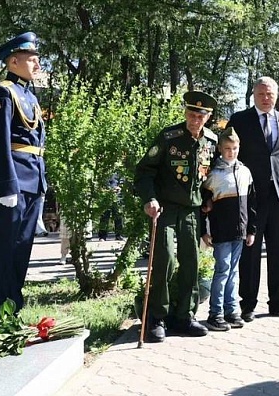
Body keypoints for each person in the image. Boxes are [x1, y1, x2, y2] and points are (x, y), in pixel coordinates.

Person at [135, 90, 218, 341]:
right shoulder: (170, 137)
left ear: (208, 117)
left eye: (200, 116)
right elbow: (145, 170)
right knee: (165, 259)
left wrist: (209, 198)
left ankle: (185, 316)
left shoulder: (211, 142)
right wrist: (149, 198)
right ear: (186, 113)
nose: (195, 119)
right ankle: (157, 317)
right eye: (191, 114)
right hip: (166, 208)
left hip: (193, 211)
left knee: (191, 262)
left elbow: (209, 175)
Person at [0, 32, 48, 316]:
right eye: (32, 59)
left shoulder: (29, 95)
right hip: (12, 184)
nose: (37, 64)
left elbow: (36, 145)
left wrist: (41, 183)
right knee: (4, 250)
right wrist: (7, 186)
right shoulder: (2, 92)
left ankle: (13, 309)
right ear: (13, 60)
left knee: (21, 249)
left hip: (32, 183)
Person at [229, 76, 279, 321]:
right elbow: (230, 155)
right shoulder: (240, 120)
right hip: (251, 197)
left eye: (270, 94)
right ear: (254, 95)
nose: (266, 98)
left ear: (276, 95)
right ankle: (247, 304)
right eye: (261, 94)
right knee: (250, 251)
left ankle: (277, 302)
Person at [200, 127, 256, 332]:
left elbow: (251, 204)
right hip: (221, 231)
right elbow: (203, 207)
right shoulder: (213, 175)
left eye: (234, 148)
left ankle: (231, 311)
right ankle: (215, 314)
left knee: (233, 272)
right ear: (220, 149)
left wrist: (252, 230)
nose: (231, 152)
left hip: (240, 231)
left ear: (239, 148)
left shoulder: (245, 172)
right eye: (227, 148)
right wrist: (204, 231)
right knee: (222, 271)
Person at [97, 172, 124, 241]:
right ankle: (102, 236)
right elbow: (100, 184)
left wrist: (119, 188)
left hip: (117, 197)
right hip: (106, 197)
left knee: (118, 216)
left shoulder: (119, 172)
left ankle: (119, 235)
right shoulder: (104, 171)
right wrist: (107, 190)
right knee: (104, 216)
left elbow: (123, 183)